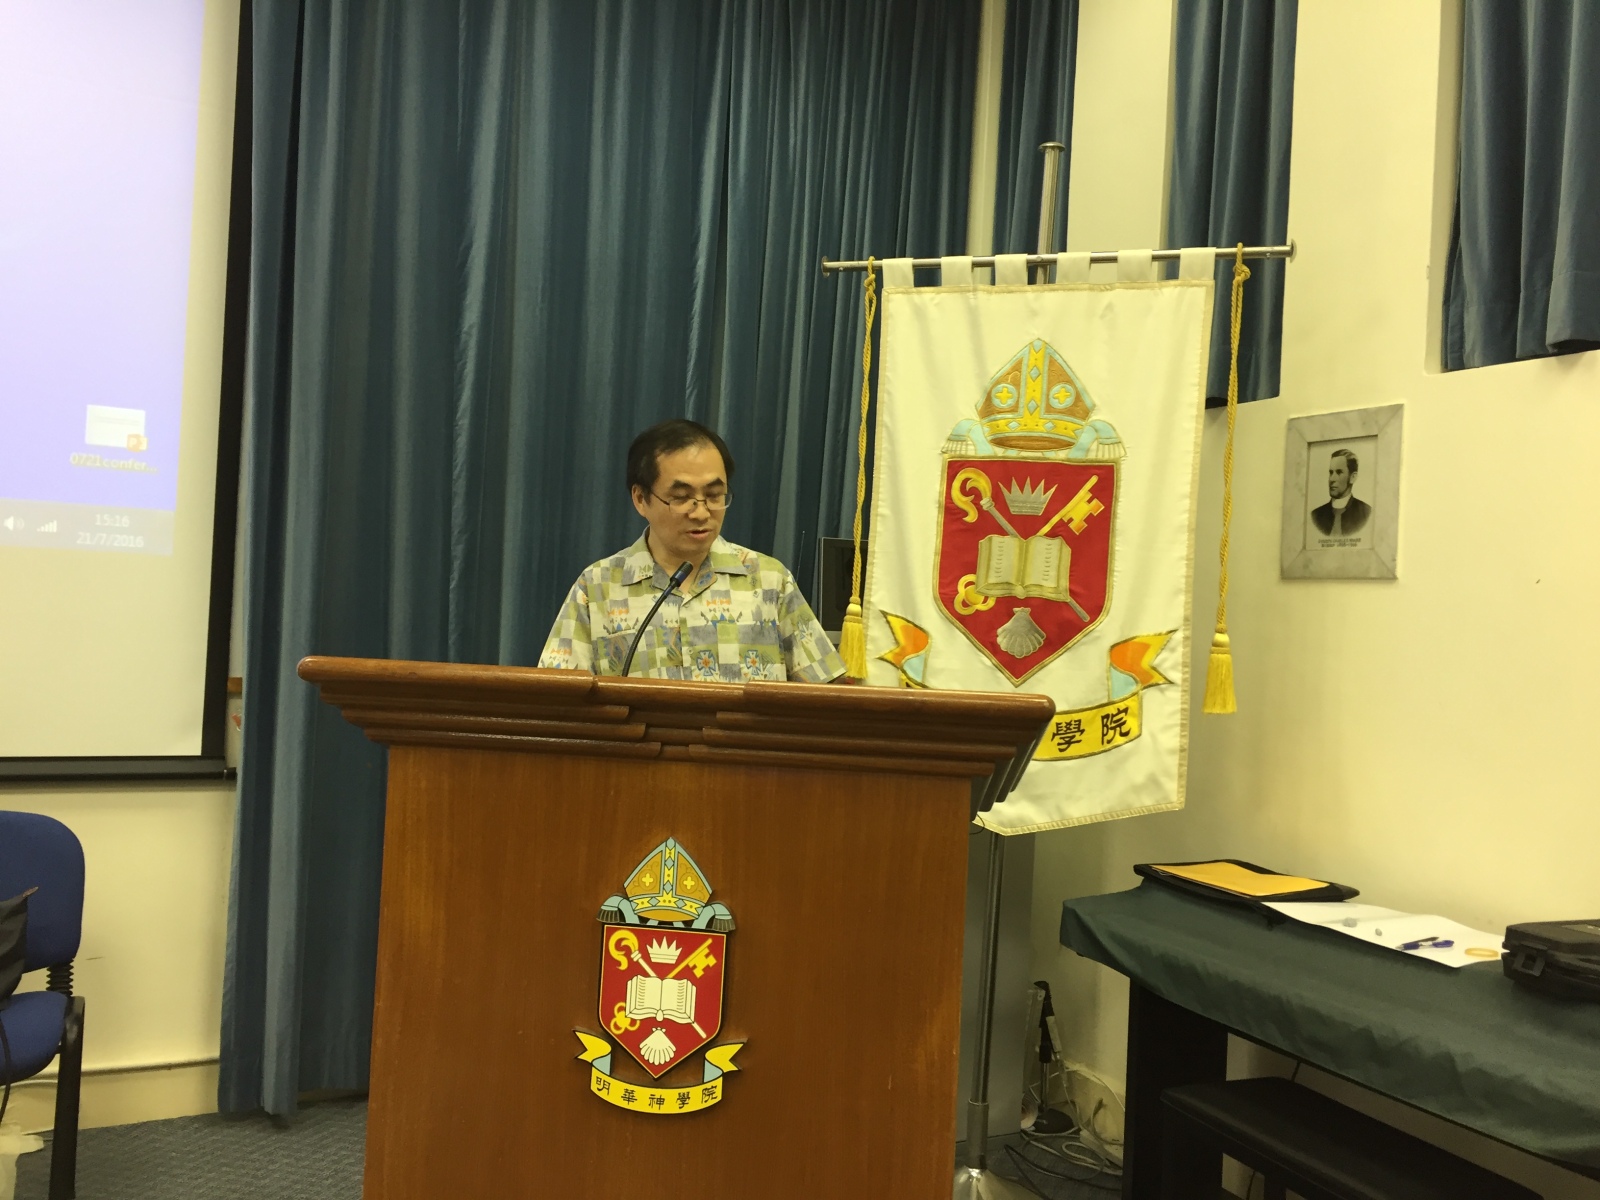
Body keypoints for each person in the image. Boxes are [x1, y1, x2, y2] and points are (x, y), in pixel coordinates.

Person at [538, 419, 846, 683]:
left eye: (714, 495)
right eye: (681, 498)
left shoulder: (769, 581)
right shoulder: (597, 588)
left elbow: (825, 694)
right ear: (641, 498)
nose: (701, 513)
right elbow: (557, 700)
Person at [1311, 447, 1371, 537]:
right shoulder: (1315, 516)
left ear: (1352, 477)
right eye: (1331, 472)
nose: (1332, 479)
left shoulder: (1366, 513)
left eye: (1339, 472)